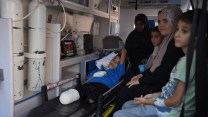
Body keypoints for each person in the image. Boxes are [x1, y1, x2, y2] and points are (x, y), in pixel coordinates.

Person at [113, 10, 196, 117]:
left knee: (125, 95)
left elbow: (166, 80)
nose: (177, 34)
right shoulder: (170, 48)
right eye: (159, 21)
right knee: (126, 99)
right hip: (157, 88)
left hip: (166, 104)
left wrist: (149, 98)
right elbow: (171, 87)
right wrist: (153, 94)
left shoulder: (179, 54)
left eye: (165, 21)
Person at [59, 48, 127, 105]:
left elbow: (124, 52)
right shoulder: (97, 70)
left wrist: (121, 51)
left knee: (94, 96)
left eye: (117, 63)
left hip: (104, 86)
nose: (114, 62)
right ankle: (76, 96)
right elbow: (85, 82)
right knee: (67, 97)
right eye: (113, 60)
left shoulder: (118, 72)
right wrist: (95, 75)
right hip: (90, 84)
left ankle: (88, 101)